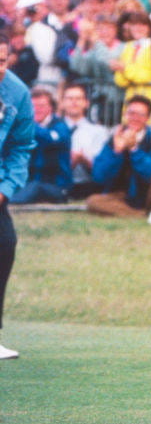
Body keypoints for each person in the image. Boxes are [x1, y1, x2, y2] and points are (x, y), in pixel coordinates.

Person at [85, 95, 151, 225]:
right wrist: (116, 152)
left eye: (140, 115)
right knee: (92, 202)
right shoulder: (114, 139)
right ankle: (147, 214)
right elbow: (99, 176)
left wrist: (134, 149)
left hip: (148, 193)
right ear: (125, 115)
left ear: (148, 118)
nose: (135, 118)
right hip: (122, 195)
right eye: (131, 113)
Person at [0, 33, 35, 359]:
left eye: (2, 61)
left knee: (4, 245)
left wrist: (5, 189)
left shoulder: (17, 92)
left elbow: (21, 147)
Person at [8, 87, 72, 204]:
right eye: (33, 106)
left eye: (41, 106)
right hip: (28, 183)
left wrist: (28, 123)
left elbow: (50, 139)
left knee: (35, 186)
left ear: (51, 107)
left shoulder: (60, 126)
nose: (37, 110)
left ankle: (10, 201)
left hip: (56, 186)